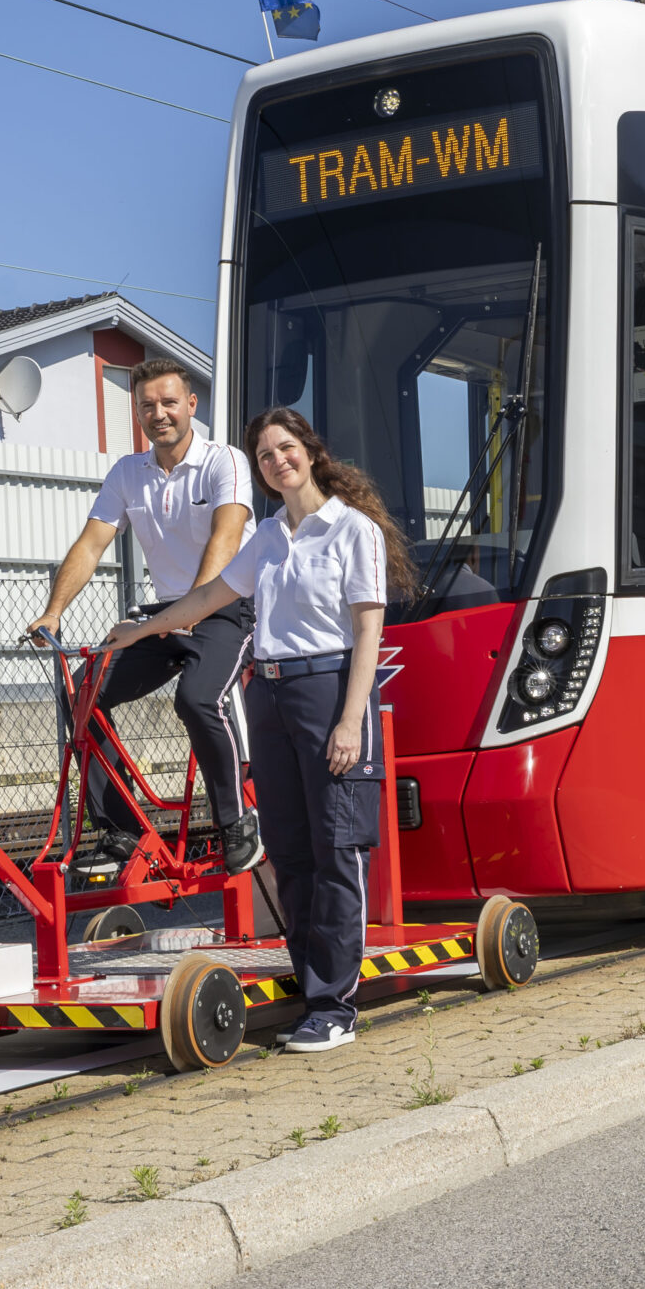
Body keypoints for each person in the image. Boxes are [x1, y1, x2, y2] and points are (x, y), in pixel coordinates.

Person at [105, 407, 415, 1053]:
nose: (277, 460)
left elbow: (367, 630)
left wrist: (351, 718)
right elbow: (207, 598)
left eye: (286, 447)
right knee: (291, 852)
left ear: (311, 450)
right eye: (265, 455)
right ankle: (311, 987)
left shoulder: (352, 531)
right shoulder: (269, 537)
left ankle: (336, 1005)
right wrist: (142, 629)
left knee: (337, 851)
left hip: (329, 691)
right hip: (268, 695)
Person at [26, 358, 263, 870]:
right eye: (147, 406)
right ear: (137, 412)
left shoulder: (226, 462)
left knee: (198, 700)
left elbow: (225, 542)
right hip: (164, 614)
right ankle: (121, 831)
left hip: (226, 606)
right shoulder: (128, 473)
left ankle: (238, 820)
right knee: (84, 694)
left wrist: (191, 610)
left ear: (191, 405)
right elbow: (90, 545)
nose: (159, 414)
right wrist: (53, 611)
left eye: (169, 402)